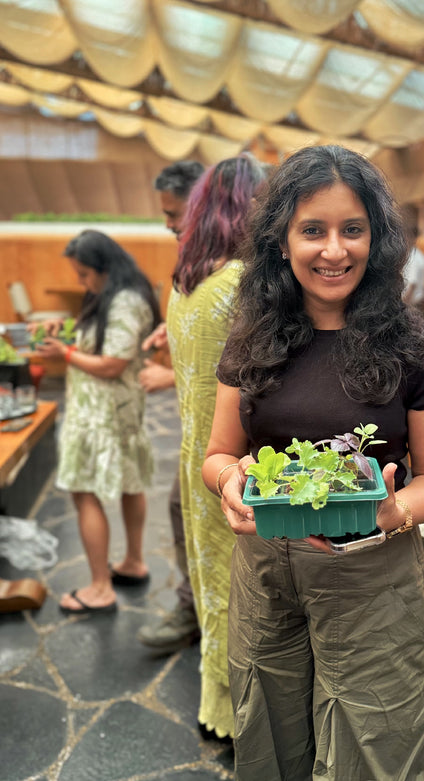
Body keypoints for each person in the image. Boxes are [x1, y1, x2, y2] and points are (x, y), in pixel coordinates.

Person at [202, 145, 424, 779]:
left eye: (353, 230)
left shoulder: (416, 346)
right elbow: (218, 455)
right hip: (266, 571)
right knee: (267, 734)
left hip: (371, 575)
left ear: (377, 239)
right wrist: (232, 481)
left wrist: (396, 507)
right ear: (281, 241)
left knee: (370, 745)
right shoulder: (252, 336)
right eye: (312, 230)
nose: (334, 250)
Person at [164, 154, 268, 739]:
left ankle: (216, 706)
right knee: (242, 591)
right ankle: (240, 716)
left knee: (212, 586)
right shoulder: (242, 286)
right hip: (236, 463)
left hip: (194, 457)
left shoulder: (185, 283)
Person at [36, 230, 161, 613]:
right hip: (115, 412)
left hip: (101, 416)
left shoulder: (124, 301)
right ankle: (134, 562)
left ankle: (100, 588)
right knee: (129, 482)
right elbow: (102, 343)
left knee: (83, 490)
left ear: (105, 268)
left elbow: (111, 364)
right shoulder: (116, 293)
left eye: (84, 274)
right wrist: (67, 331)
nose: (81, 282)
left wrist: (65, 352)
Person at [136, 160, 204, 651]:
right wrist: (171, 331)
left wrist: (172, 372)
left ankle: (198, 609)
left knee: (189, 511)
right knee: (181, 510)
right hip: (196, 426)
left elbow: (230, 355)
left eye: (173, 212)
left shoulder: (233, 265)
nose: (168, 223)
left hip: (220, 430)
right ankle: (193, 605)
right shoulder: (192, 257)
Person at [402, 224, 424, 308]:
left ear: (413, 238)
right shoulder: (413, 254)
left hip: (410, 303)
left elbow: (412, 284)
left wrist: (403, 306)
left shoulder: (414, 257)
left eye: (406, 236)